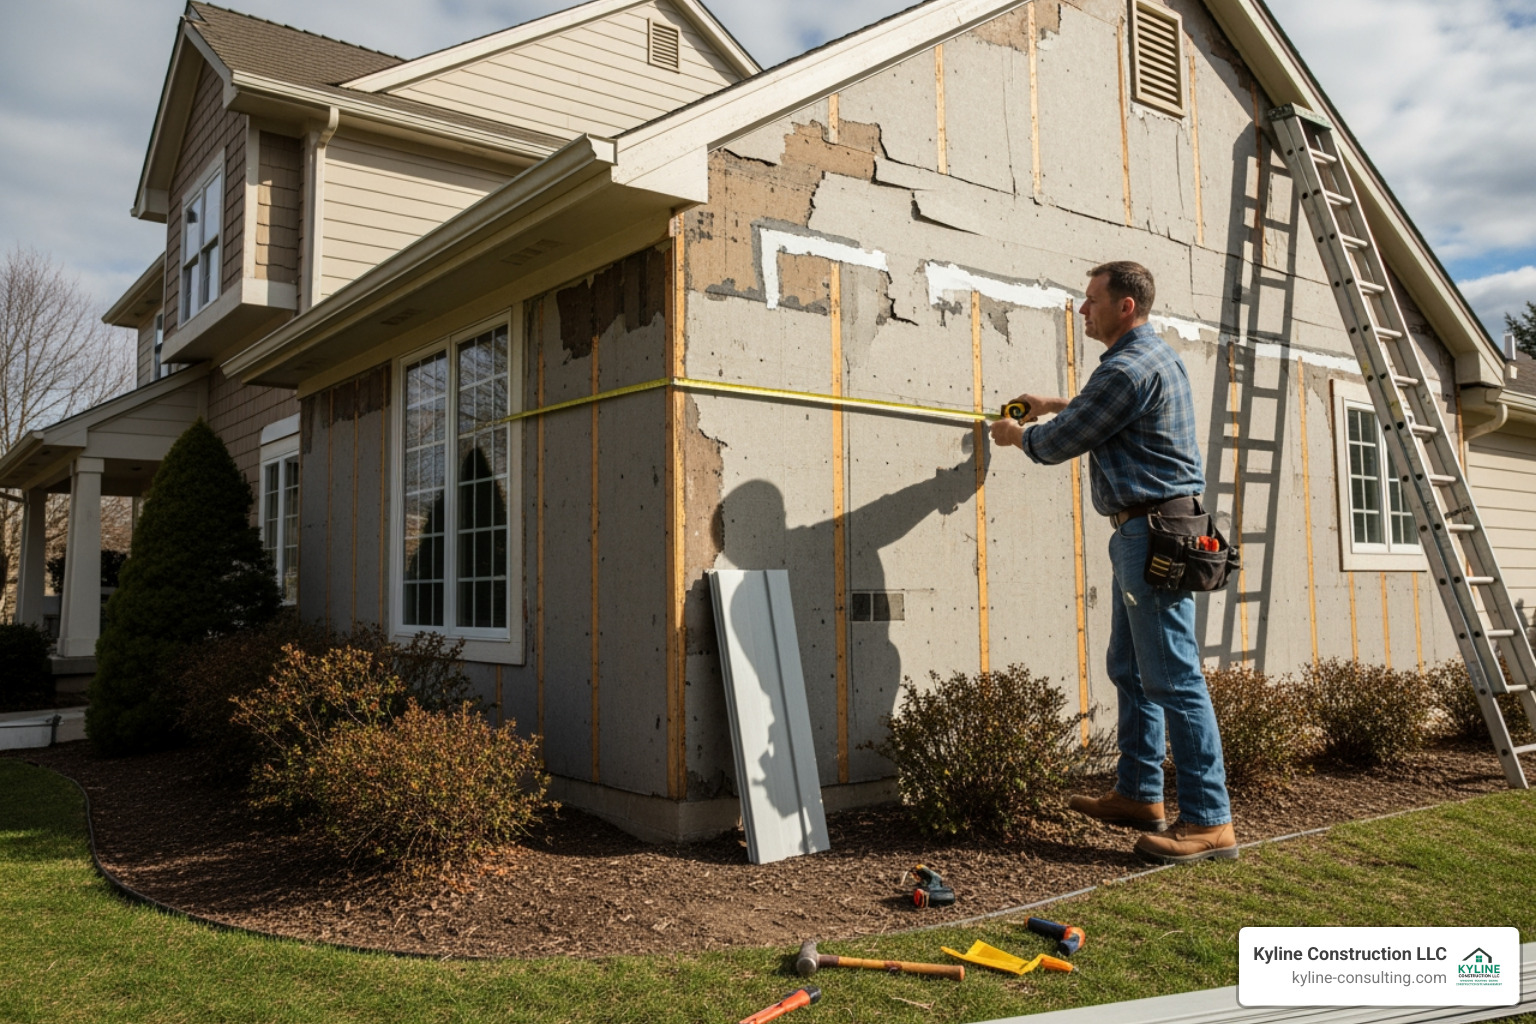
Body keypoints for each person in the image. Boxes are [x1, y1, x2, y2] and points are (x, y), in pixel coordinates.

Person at [987, 261, 1236, 864]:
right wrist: (1052, 400)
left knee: (1174, 677)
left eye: (1091, 299)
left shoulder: (1125, 368)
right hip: (1151, 531)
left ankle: (1209, 820)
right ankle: (1138, 794)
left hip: (1148, 535)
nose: (1082, 309)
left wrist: (1016, 435)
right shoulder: (1153, 358)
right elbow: (1108, 411)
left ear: (1125, 306)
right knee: (1129, 666)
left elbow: (1057, 443)